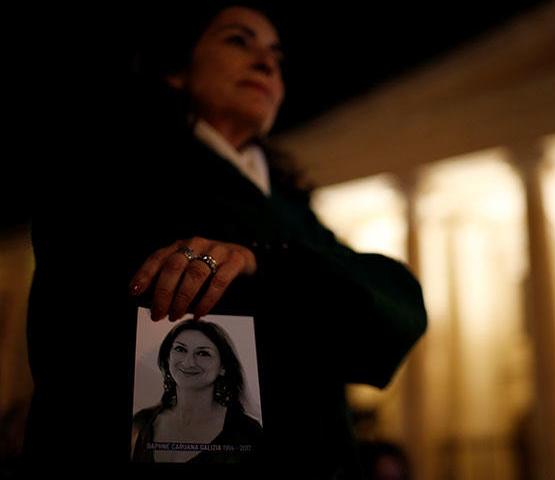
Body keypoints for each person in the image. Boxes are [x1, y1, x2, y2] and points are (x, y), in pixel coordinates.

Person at [24, 2, 427, 478]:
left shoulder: (295, 211)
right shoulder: (111, 168)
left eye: (276, 56)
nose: (266, 62)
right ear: (177, 71)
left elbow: (396, 307)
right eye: (239, 40)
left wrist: (261, 263)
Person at [131, 319, 262, 463]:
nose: (188, 362)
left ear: (223, 367)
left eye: (203, 353)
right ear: (168, 358)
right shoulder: (141, 422)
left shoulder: (249, 433)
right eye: (180, 349)